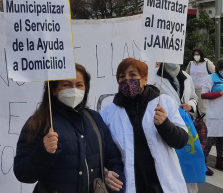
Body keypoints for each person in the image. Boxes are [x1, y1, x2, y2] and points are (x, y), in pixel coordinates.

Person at [14, 64, 125, 193]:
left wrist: (112, 177)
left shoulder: (94, 119)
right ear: (54, 90)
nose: (74, 89)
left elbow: (114, 159)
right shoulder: (40, 123)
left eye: (79, 85)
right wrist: (43, 152)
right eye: (66, 85)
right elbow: (22, 173)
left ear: (85, 89)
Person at [100, 58, 188, 193]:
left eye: (133, 75)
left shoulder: (164, 103)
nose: (127, 80)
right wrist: (106, 171)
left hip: (163, 186)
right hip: (131, 185)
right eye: (122, 76)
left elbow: (181, 141)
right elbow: (103, 152)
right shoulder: (107, 113)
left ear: (145, 78)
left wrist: (165, 125)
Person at [158, 62, 205, 193]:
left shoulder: (186, 76)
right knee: (173, 166)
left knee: (189, 163)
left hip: (186, 126)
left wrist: (190, 105)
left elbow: (194, 97)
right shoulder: (155, 77)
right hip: (167, 127)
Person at [201, 57, 223, 175]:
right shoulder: (210, 78)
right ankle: (202, 162)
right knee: (211, 137)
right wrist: (219, 93)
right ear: (218, 69)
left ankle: (219, 160)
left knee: (221, 136)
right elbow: (204, 95)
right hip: (214, 112)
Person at [185, 49, 215, 116]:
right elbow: (186, 75)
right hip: (192, 90)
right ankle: (195, 125)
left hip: (203, 90)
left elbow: (215, 73)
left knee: (202, 109)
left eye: (198, 54)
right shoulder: (190, 63)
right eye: (195, 54)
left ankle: (204, 125)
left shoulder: (207, 63)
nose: (196, 56)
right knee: (193, 109)